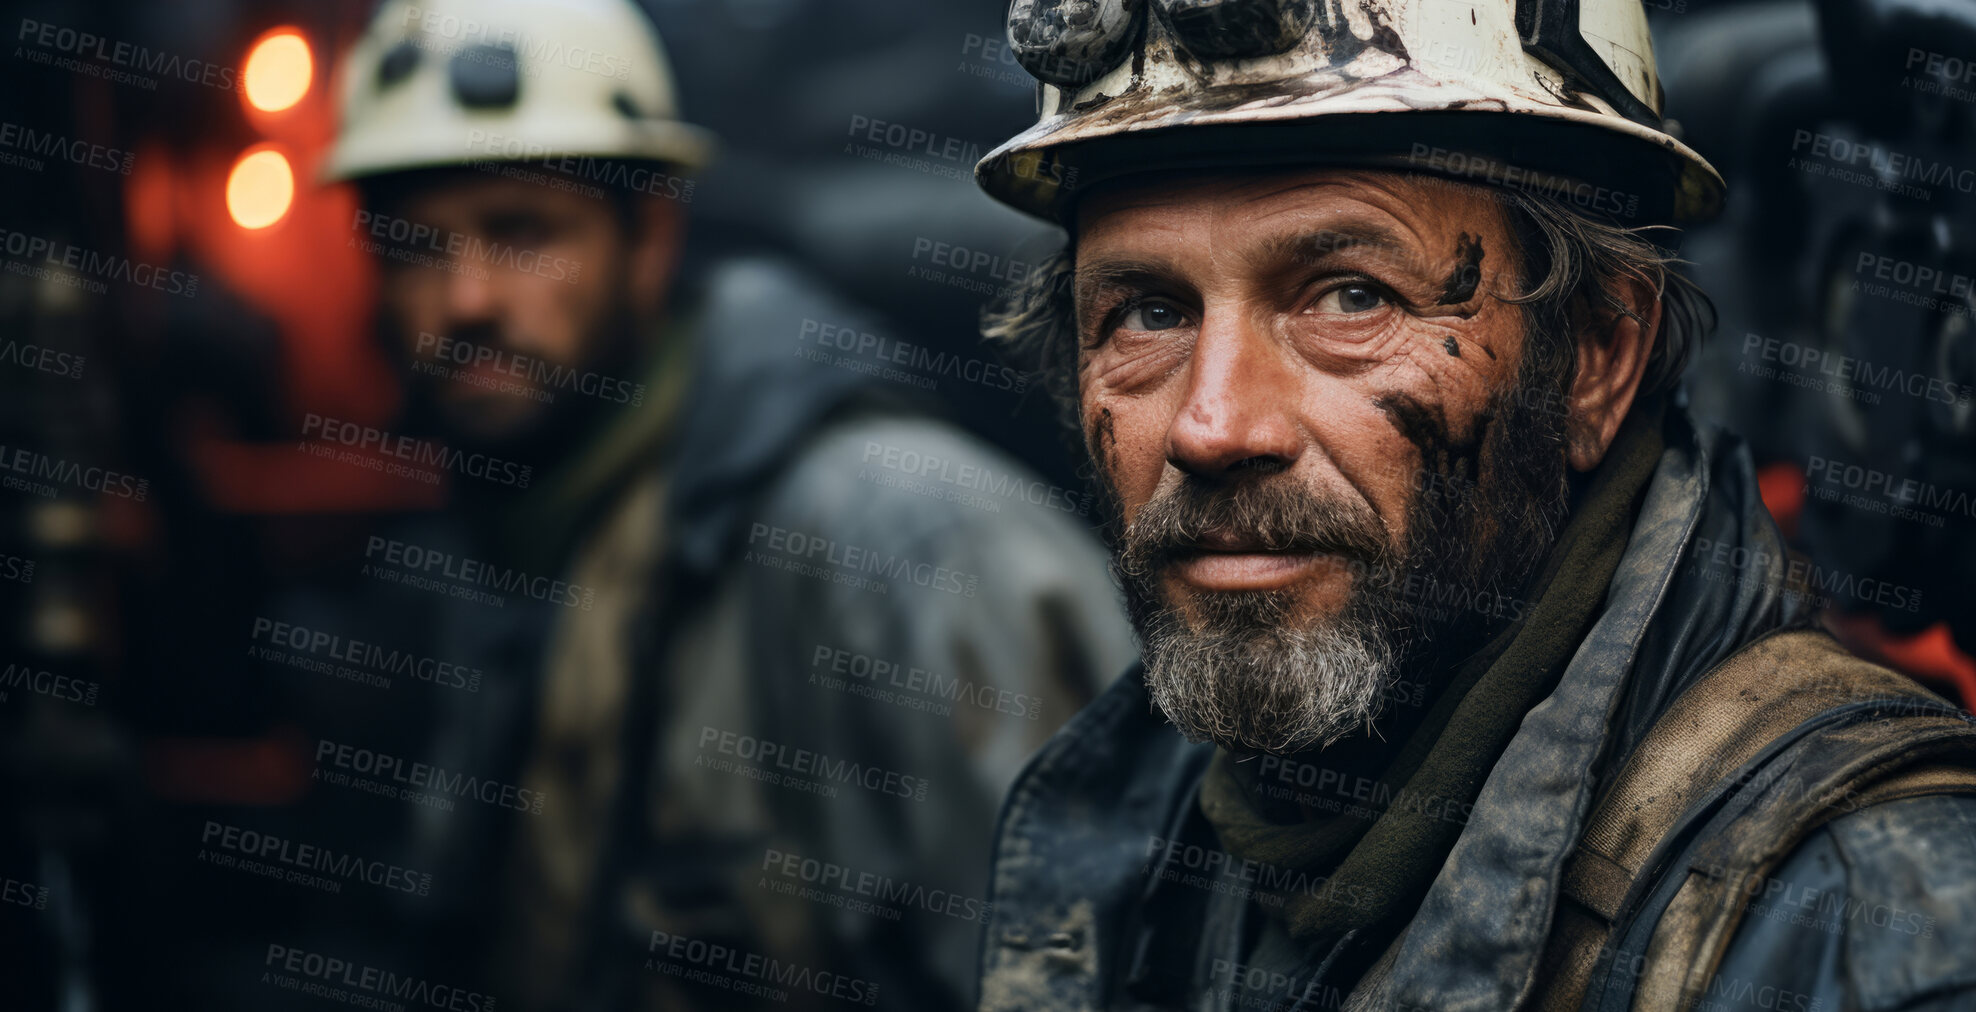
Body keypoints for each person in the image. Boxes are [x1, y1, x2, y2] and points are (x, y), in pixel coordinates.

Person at [966, 1, 1976, 1009]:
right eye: (1148, 311)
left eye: (1349, 295)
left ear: (1594, 356)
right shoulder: (1138, 850)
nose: (1212, 426)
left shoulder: (1874, 932)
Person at [316, 0, 1136, 1009]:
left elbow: (1103, 966)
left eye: (521, 231)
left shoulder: (903, 537)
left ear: (651, 235)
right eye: (413, 248)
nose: (468, 299)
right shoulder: (507, 553)